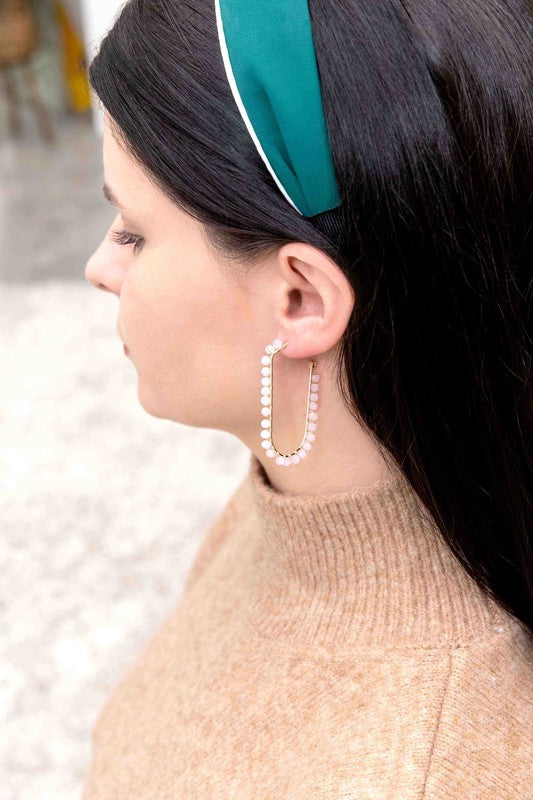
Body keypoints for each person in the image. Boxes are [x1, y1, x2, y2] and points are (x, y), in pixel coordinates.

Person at [82, 0, 533, 797]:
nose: (99, 267)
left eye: (132, 231)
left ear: (300, 299)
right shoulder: (291, 498)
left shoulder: (431, 764)